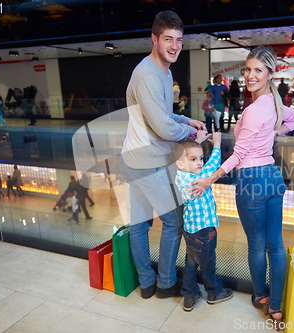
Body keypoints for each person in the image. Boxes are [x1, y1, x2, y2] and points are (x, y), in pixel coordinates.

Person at [187, 46, 294, 326]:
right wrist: (273, 130)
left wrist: (209, 179)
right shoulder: (274, 105)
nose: (251, 75)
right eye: (248, 69)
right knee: (275, 245)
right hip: (273, 178)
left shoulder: (254, 110)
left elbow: (238, 156)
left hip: (252, 181)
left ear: (269, 74)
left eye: (258, 71)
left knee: (257, 245)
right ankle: (276, 307)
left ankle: (261, 297)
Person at [119, 10, 206, 300]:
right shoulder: (147, 73)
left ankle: (146, 284)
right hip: (146, 161)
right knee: (174, 222)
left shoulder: (163, 71)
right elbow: (161, 126)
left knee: (140, 224)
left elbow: (161, 113)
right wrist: (192, 135)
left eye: (179, 40)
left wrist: (186, 120)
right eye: (168, 39)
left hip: (137, 158)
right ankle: (166, 284)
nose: (174, 46)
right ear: (154, 39)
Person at [174, 132, 233, 312]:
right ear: (181, 163)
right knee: (208, 264)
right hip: (204, 231)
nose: (200, 162)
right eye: (193, 159)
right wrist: (217, 143)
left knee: (191, 264)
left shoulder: (180, 175)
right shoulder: (197, 179)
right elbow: (214, 165)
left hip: (190, 231)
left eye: (201, 158)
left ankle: (189, 295)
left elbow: (181, 158)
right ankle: (214, 292)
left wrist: (196, 143)